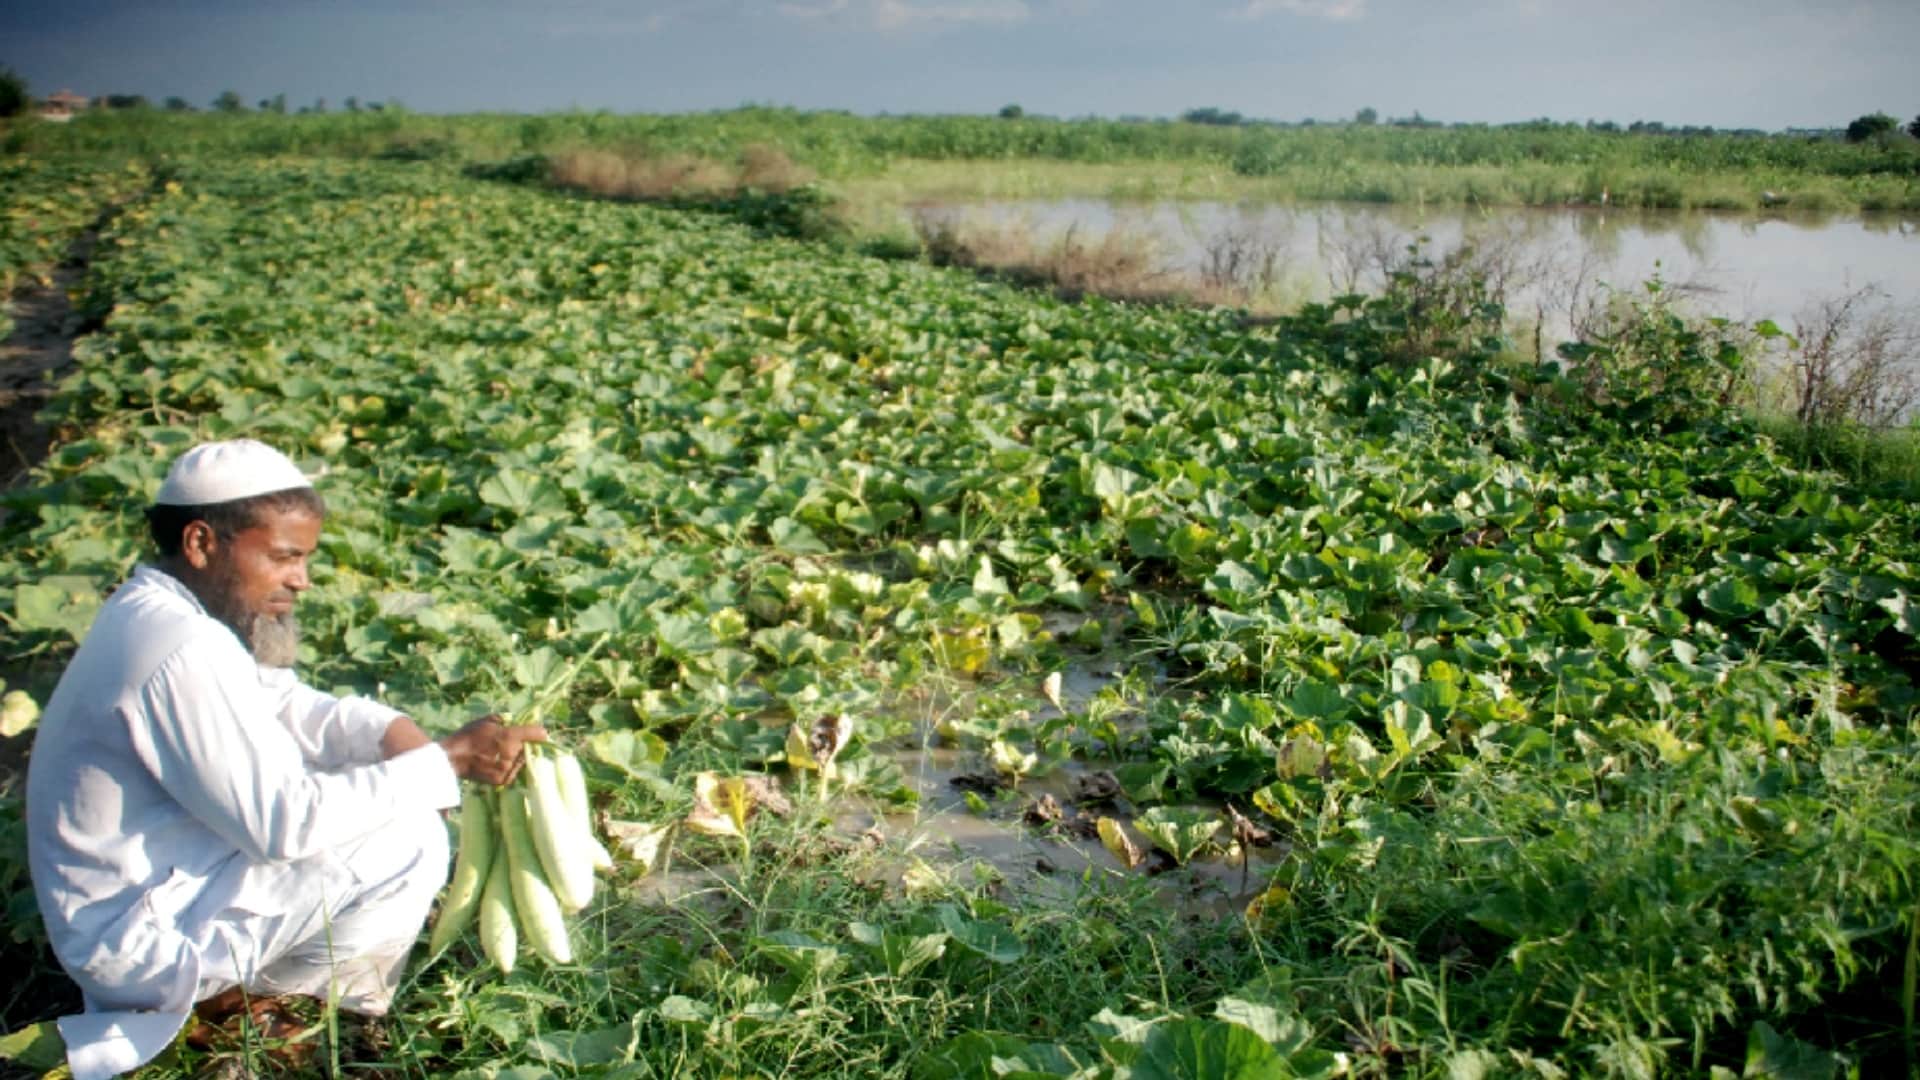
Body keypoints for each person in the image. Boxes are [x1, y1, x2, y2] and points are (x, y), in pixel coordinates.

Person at [24, 439, 545, 1080]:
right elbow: (283, 827)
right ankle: (289, 1017)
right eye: (283, 557)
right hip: (139, 944)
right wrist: (448, 758)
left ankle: (251, 1002)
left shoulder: (158, 613)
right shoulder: (180, 646)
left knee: (373, 794)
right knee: (405, 835)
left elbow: (284, 704)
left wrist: (391, 733)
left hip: (144, 903)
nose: (302, 579)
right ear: (200, 543)